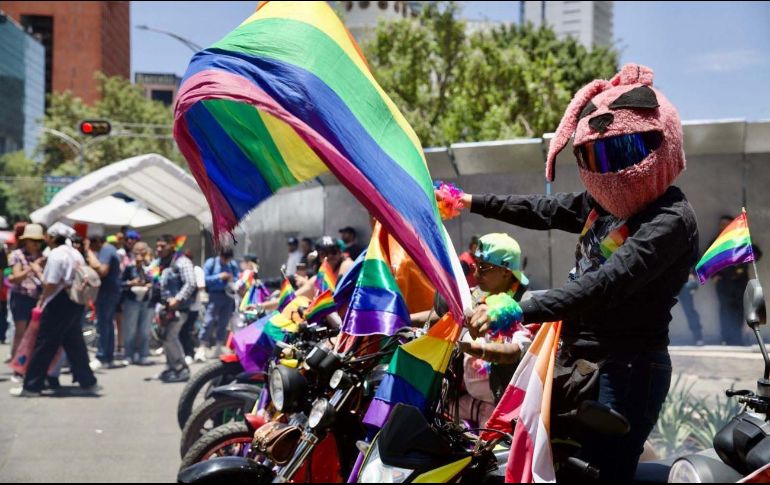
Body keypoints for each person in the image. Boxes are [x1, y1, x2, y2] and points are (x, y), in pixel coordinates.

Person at [454, 64, 699, 481]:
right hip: (575, 362)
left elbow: (605, 284)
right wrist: (470, 201)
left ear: (663, 146)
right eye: (595, 156)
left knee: (600, 474)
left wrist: (520, 310)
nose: (609, 172)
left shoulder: (670, 218)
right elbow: (539, 209)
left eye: (622, 153)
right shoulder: (600, 207)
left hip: (624, 370)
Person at [10, 224, 99, 397]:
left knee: (45, 344)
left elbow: (49, 283)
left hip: (58, 302)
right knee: (74, 343)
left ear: (51, 238)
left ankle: (32, 386)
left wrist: (37, 272)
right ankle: (88, 382)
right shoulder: (75, 253)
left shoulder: (56, 255)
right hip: (75, 301)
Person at [151, 234, 197, 382]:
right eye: (157, 246)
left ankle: (182, 368)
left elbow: (190, 283)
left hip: (179, 308)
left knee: (170, 337)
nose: (158, 249)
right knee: (164, 338)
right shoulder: (160, 262)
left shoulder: (182, 262)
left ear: (172, 245)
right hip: (165, 309)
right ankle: (171, 368)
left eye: (162, 246)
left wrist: (178, 299)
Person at [8, 223, 45, 367]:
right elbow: (16, 277)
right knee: (21, 332)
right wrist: (33, 267)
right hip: (21, 297)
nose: (36, 244)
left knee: (34, 334)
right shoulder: (17, 255)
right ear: (26, 240)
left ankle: (27, 363)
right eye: (33, 241)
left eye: (38, 241)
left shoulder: (42, 256)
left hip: (36, 298)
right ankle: (16, 363)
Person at [85, 235, 123, 370]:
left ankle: (102, 356)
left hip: (107, 292)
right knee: (108, 324)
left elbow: (102, 271)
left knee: (103, 325)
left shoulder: (106, 251)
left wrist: (88, 253)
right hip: (112, 291)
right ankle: (108, 357)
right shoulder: (111, 250)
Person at [198, 247, 240, 360]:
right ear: (220, 254)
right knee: (209, 321)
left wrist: (232, 279)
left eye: (228, 258)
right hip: (214, 295)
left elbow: (238, 278)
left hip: (228, 296)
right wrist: (219, 276)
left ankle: (218, 346)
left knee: (224, 322)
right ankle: (202, 346)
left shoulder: (232, 264)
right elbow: (205, 279)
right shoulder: (211, 263)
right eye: (224, 258)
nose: (226, 260)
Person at [121, 241, 153, 365]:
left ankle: (143, 354)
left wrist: (150, 283)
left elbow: (155, 280)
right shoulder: (129, 267)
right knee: (130, 329)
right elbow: (121, 283)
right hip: (132, 299)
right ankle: (128, 354)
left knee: (145, 329)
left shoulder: (151, 267)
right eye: (137, 252)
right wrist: (130, 283)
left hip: (146, 299)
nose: (139, 254)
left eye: (142, 252)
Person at [183, 249, 206, 364]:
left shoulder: (197, 270)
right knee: (183, 330)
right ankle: (187, 352)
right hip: (182, 306)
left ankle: (190, 353)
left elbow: (201, 287)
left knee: (187, 330)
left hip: (194, 305)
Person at [678, 270, 703, 345]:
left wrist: (692, 273)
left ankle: (698, 337)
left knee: (690, 312)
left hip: (684, 280)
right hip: (668, 278)